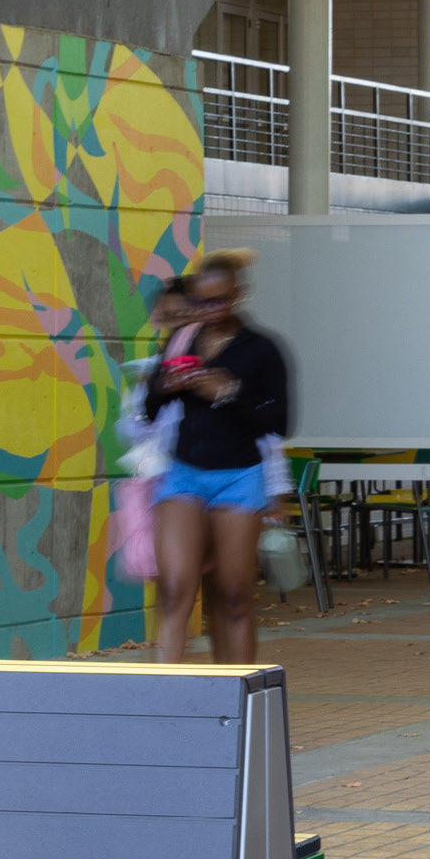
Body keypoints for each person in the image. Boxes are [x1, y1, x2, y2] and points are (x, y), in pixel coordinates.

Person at [146, 248, 290, 665]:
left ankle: (239, 693)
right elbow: (149, 409)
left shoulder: (262, 349)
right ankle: (160, 694)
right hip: (184, 473)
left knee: (232, 595)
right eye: (203, 301)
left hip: (239, 476)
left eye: (221, 300)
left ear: (239, 294)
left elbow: (280, 420)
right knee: (174, 589)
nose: (211, 309)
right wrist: (167, 386)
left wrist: (227, 393)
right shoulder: (180, 341)